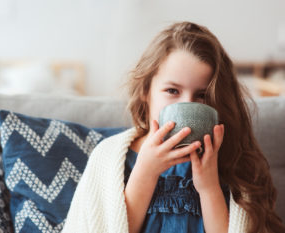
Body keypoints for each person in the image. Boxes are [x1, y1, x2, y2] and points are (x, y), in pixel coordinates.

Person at [62, 21, 285, 233]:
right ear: (145, 91)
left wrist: (209, 188)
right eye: (172, 91)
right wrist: (145, 173)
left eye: (202, 95)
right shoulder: (109, 158)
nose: (186, 104)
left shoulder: (230, 159)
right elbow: (107, 226)